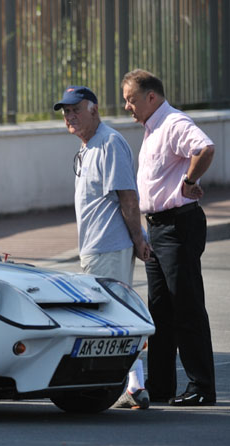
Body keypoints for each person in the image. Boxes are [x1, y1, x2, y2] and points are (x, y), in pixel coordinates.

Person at [121, 69, 216, 406]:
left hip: (178, 225)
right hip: (158, 227)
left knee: (186, 306)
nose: (127, 108)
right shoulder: (152, 128)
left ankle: (201, 387)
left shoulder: (173, 122)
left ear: (151, 96)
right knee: (159, 309)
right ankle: (161, 385)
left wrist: (190, 182)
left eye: (131, 100)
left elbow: (204, 148)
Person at [54, 85, 152, 409]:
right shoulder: (88, 147)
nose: (70, 116)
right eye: (66, 111)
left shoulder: (110, 142)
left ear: (93, 109)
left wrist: (138, 239)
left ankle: (133, 385)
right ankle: (134, 385)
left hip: (109, 248)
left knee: (113, 319)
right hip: (95, 248)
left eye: (76, 109)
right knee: (115, 317)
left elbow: (128, 196)